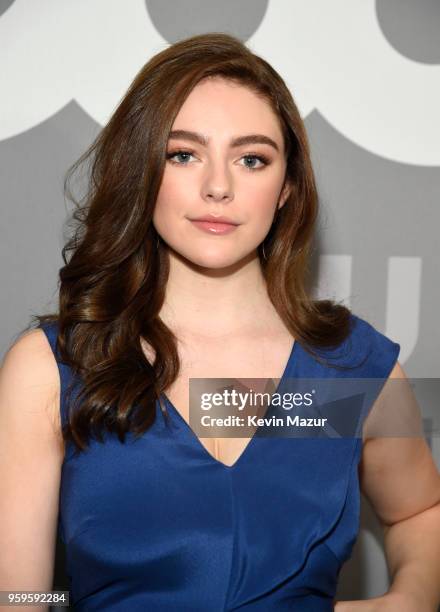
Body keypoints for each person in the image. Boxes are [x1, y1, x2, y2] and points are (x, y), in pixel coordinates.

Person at [1, 32, 439, 612]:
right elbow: (21, 595)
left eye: (251, 158)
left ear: (285, 188)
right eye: (183, 154)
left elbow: (419, 511)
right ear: (142, 170)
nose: (218, 186)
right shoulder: (56, 366)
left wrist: (408, 600)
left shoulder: (349, 369)